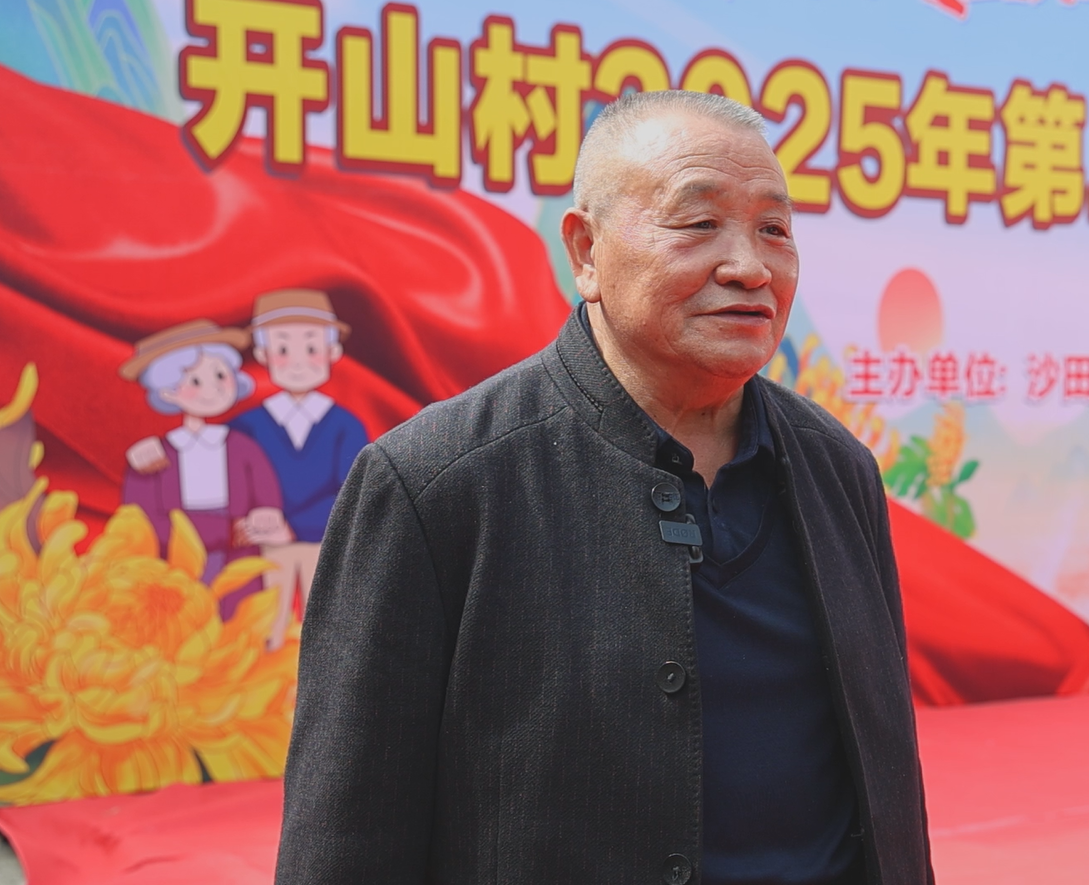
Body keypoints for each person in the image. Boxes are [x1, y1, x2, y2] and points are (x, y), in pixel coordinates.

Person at [275, 91, 931, 884]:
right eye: (698, 223)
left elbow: (886, 793)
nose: (750, 266)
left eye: (774, 229)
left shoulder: (837, 471)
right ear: (585, 251)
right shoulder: (435, 484)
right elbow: (346, 838)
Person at [127, 291, 369, 651]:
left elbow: (353, 491)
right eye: (283, 349)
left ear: (333, 353)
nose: (297, 362)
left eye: (311, 348)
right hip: (257, 547)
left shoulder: (345, 426)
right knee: (265, 624)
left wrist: (289, 525)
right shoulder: (246, 427)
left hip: (321, 542)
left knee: (327, 622)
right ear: (262, 355)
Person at [118, 320, 291, 619]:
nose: (212, 389)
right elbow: (140, 521)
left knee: (239, 619)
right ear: (168, 392)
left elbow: (266, 494)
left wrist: (266, 516)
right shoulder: (154, 458)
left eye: (220, 375)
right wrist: (222, 531)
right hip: (175, 565)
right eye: (195, 381)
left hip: (238, 558)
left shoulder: (242, 447)